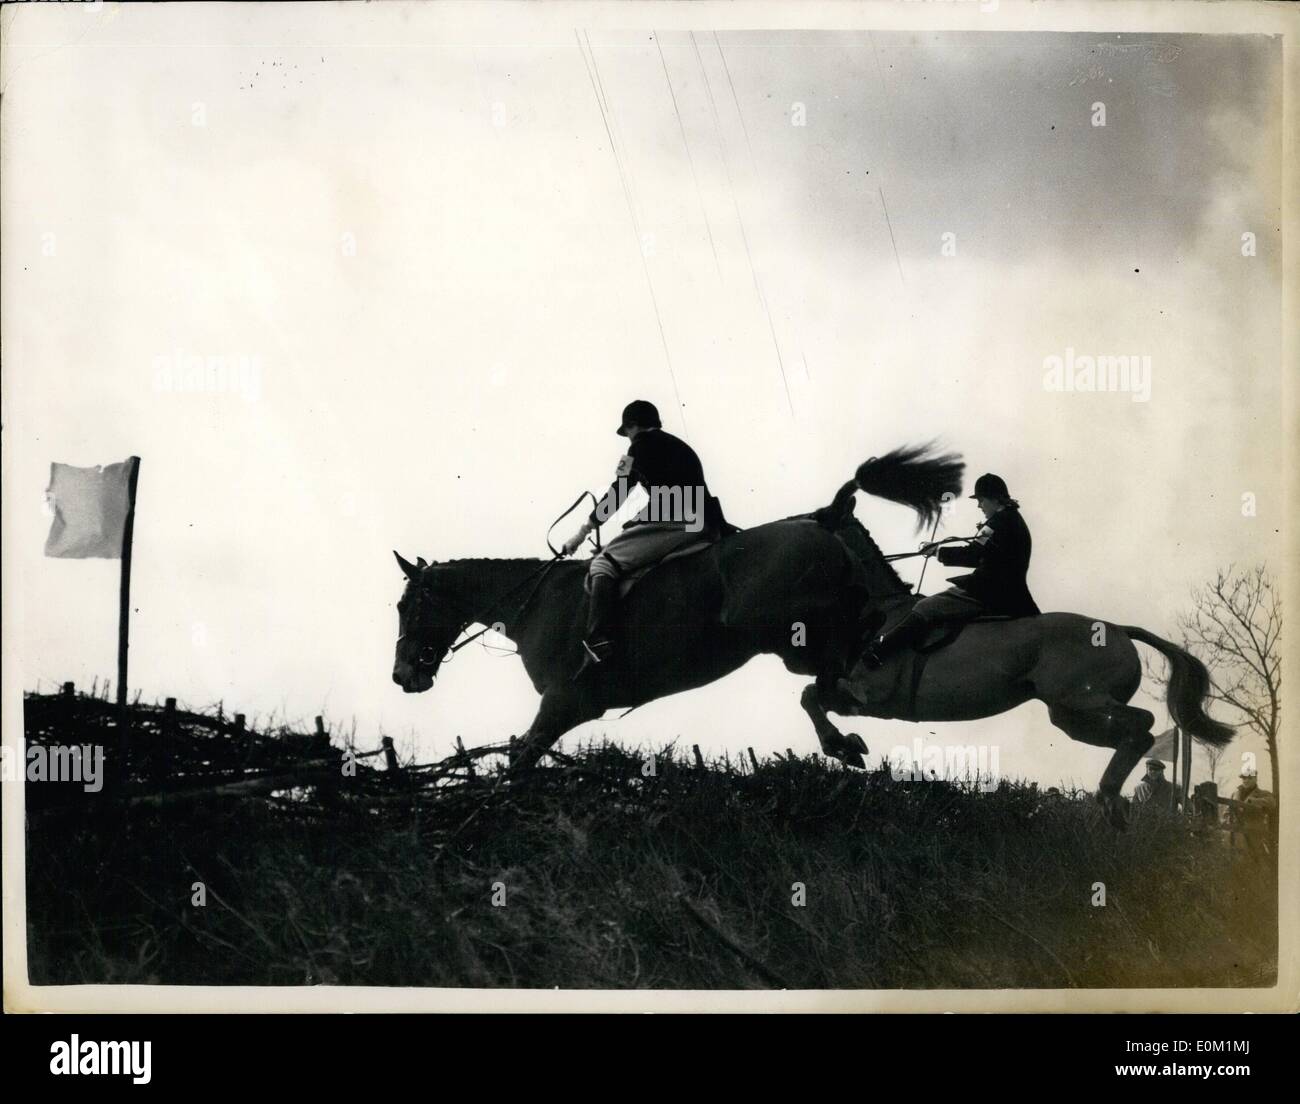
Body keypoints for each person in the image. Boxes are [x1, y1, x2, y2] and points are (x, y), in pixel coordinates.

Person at [561, 400, 731, 667]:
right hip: (705, 521)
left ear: (631, 426)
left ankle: (598, 641)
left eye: (626, 431)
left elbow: (618, 491)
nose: (626, 437)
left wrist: (582, 533)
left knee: (604, 562)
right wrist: (632, 527)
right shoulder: (680, 445)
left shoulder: (634, 449)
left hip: (679, 520)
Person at [865, 472, 1040, 668]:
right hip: (1009, 593)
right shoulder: (1013, 519)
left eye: (981, 500)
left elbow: (973, 554)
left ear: (993, 498)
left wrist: (937, 551)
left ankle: (879, 651)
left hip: (987, 591)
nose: (979, 506)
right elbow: (982, 553)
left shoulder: (998, 523)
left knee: (925, 607)